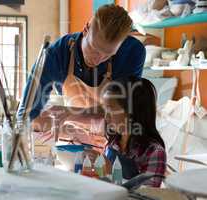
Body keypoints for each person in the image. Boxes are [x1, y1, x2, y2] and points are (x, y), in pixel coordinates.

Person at [17, 4, 146, 131]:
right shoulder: (56, 54)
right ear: (86, 29)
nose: (97, 59)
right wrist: (43, 123)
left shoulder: (132, 52)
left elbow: (123, 112)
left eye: (107, 55)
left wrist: (71, 113)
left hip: (111, 136)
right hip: (73, 136)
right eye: (93, 49)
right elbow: (26, 114)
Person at [103, 77, 166, 187]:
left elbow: (145, 196)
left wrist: (109, 174)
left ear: (133, 112)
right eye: (105, 109)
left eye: (111, 109)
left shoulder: (154, 153)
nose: (106, 117)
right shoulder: (113, 144)